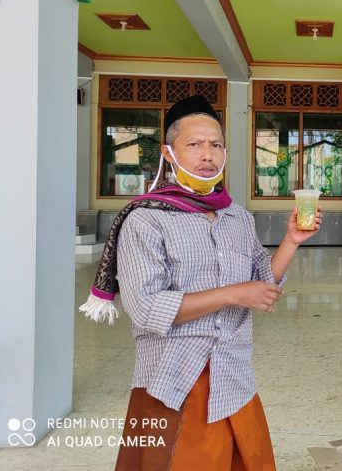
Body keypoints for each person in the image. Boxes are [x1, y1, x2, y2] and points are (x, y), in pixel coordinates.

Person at [80, 95, 321, 470]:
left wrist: (291, 240)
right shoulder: (146, 219)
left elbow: (262, 281)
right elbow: (145, 308)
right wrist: (232, 294)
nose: (207, 154)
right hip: (173, 380)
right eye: (194, 144)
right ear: (169, 152)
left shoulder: (236, 216)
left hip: (234, 375)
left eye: (216, 144)